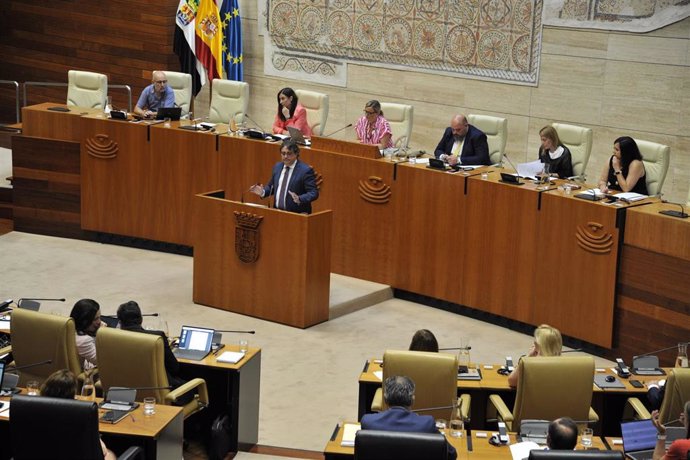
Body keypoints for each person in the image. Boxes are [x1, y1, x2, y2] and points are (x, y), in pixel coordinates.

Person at [361, 375, 457, 460]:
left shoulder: (368, 422)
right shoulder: (426, 424)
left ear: (385, 399)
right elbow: (451, 454)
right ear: (412, 400)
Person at [40, 369, 117, 460]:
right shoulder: (79, 416)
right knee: (109, 454)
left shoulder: (30, 410)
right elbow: (100, 450)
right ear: (73, 395)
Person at [117, 300, 186, 390]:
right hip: (159, 392)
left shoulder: (110, 338)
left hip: (122, 392)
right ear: (141, 319)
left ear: (120, 322)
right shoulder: (157, 337)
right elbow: (174, 368)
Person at [249, 139, 319, 214]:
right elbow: (271, 187)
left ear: (296, 154)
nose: (285, 156)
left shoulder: (305, 170)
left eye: (289, 154)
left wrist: (299, 198)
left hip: (297, 215)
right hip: (277, 214)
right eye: (283, 153)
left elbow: (313, 193)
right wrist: (262, 192)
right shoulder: (277, 167)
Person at [69, 298, 107, 370]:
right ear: (84, 321)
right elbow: (102, 362)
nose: (99, 322)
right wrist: (102, 335)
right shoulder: (83, 340)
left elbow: (102, 324)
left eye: (99, 317)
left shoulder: (71, 326)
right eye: (95, 319)